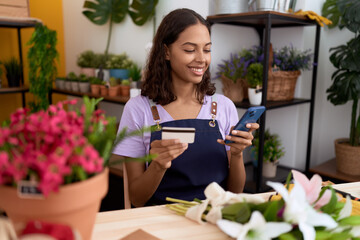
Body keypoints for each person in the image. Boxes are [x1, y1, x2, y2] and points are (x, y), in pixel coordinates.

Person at [112, 8, 259, 207]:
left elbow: (234, 193)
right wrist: (158, 165)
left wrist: (237, 154)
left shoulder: (224, 107)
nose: (201, 59)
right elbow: (136, 199)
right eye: (190, 50)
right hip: (161, 225)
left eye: (207, 49)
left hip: (212, 218)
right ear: (166, 51)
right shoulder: (139, 109)